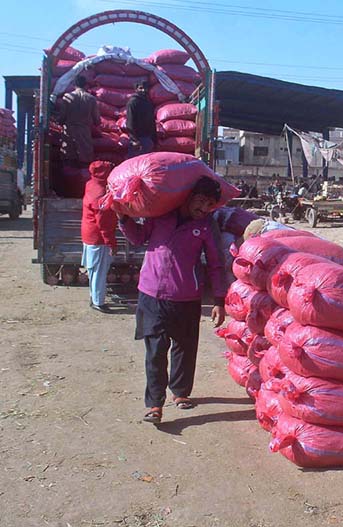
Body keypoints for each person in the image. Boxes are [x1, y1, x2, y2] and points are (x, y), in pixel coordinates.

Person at [119, 177, 227, 424]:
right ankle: (155, 404)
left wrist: (219, 300)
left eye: (210, 204)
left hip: (187, 296)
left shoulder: (207, 226)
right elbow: (138, 237)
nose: (203, 208)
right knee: (155, 350)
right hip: (151, 293)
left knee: (184, 348)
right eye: (200, 201)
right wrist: (123, 218)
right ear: (188, 197)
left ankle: (180, 392)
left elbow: (216, 263)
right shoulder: (161, 215)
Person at [81, 161, 117, 313]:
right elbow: (104, 223)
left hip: (88, 234)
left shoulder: (90, 184)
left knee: (93, 269)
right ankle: (98, 302)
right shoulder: (101, 194)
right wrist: (111, 243)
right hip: (98, 238)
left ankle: (93, 297)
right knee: (100, 271)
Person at [58, 75, 100, 166]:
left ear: (74, 85)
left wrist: (59, 123)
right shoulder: (91, 99)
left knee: (68, 160)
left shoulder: (67, 97)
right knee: (85, 160)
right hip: (84, 132)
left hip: (69, 132)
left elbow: (62, 117)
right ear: (85, 85)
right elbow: (97, 120)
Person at [125, 81, 157, 159]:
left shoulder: (148, 102)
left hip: (148, 138)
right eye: (140, 88)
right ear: (136, 89)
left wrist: (154, 138)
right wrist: (134, 139)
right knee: (134, 163)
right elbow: (130, 122)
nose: (143, 90)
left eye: (145, 88)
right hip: (138, 139)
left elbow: (152, 121)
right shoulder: (133, 102)